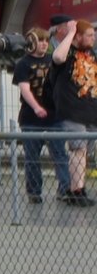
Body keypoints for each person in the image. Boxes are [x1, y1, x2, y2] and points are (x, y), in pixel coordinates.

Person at [14, 21, 70, 204]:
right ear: (32, 42)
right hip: (31, 119)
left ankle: (65, 189)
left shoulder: (53, 60)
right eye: (41, 41)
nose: (45, 44)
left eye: (47, 41)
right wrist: (37, 107)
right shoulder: (23, 64)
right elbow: (25, 89)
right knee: (32, 158)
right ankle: (34, 192)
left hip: (55, 118)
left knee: (60, 155)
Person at [52, 17, 97, 206]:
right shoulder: (68, 53)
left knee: (84, 151)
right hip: (73, 111)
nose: (93, 38)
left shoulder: (92, 55)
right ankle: (75, 190)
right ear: (79, 37)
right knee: (77, 149)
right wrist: (70, 33)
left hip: (90, 111)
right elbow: (57, 58)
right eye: (88, 35)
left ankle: (80, 187)